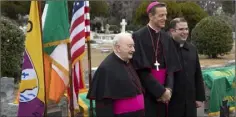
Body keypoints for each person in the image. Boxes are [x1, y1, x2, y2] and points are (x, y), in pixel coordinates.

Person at [132, 1, 181, 117]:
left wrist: (168, 89)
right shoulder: (138, 36)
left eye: (165, 15)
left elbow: (171, 68)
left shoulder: (167, 38)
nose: (165, 18)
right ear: (150, 16)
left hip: (165, 91)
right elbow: (140, 68)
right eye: (161, 15)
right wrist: (160, 92)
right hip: (146, 91)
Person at [87, 33, 145, 117]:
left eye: (133, 46)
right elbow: (103, 105)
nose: (133, 50)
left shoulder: (127, 62)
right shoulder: (106, 68)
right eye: (130, 46)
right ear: (118, 48)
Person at [168, 17, 206, 117]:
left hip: (190, 101)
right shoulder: (166, 48)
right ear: (172, 31)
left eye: (186, 29)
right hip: (172, 103)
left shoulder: (192, 49)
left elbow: (197, 74)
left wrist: (199, 97)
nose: (185, 32)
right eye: (181, 29)